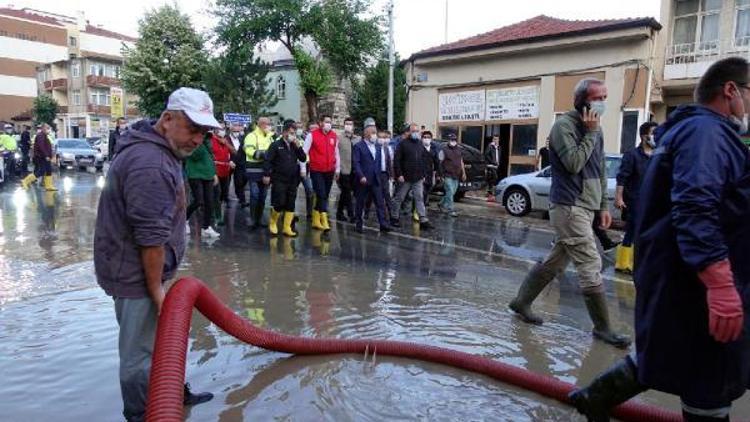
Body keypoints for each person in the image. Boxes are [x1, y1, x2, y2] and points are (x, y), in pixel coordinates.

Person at [570, 57, 750, 422]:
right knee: (706, 379)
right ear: (730, 91)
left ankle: (594, 398)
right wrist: (719, 283)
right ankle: (594, 397)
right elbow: (696, 205)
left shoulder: (698, 133)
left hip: (680, 276)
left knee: (667, 350)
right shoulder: (706, 134)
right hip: (695, 281)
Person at [94, 87, 218, 422]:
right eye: (192, 129)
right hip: (137, 276)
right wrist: (157, 291)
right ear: (166, 120)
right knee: (140, 353)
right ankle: (142, 414)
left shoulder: (163, 151)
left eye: (203, 133)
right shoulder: (150, 163)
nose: (197, 139)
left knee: (165, 337)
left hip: (149, 269)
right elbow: (150, 239)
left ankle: (172, 393)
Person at [508, 78, 630, 349]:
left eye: (605, 97)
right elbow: (574, 163)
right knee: (590, 264)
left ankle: (522, 302)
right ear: (582, 101)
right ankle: (603, 329)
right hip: (568, 206)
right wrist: (589, 133)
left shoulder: (596, 128)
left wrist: (601, 208)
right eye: (598, 98)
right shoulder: (564, 126)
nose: (603, 102)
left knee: (556, 262)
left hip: (586, 207)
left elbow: (599, 169)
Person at [613, 121, 657, 273]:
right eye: (654, 133)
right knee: (633, 231)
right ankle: (624, 263)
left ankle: (636, 262)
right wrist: (618, 197)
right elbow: (622, 177)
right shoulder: (632, 155)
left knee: (645, 232)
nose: (656, 137)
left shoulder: (657, 156)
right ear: (645, 136)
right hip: (634, 200)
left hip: (651, 201)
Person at [264, 119, 306, 237]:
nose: (292, 135)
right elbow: (268, 161)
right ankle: (273, 222)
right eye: (290, 133)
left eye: (294, 133)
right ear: (284, 133)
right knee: (279, 202)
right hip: (279, 179)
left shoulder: (294, 145)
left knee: (290, 203)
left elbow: (303, 158)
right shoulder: (276, 145)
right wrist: (267, 174)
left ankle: (287, 227)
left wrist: (299, 147)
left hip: (293, 179)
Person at [390, 123, 433, 230]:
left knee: (419, 198)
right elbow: (397, 160)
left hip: (418, 177)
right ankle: (394, 217)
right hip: (405, 177)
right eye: (413, 131)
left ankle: (423, 220)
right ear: (409, 132)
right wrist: (399, 174)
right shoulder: (403, 144)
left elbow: (423, 160)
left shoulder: (419, 144)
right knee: (399, 198)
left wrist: (423, 174)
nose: (415, 133)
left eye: (417, 131)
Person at [352, 118, 391, 233]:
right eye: (373, 133)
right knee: (361, 203)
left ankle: (383, 224)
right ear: (366, 134)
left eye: (375, 133)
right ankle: (359, 224)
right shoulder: (359, 146)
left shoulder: (378, 147)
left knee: (380, 203)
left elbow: (378, 163)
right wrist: (361, 176)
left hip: (376, 180)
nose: (375, 135)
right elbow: (356, 163)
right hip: (363, 180)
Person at [303, 114, 339, 231]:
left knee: (324, 195)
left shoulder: (334, 136)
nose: (329, 124)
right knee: (322, 194)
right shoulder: (312, 135)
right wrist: (303, 169)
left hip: (329, 170)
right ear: (320, 123)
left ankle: (315, 219)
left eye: (330, 121)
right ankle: (324, 219)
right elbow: (304, 153)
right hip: (316, 170)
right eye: (326, 121)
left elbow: (336, 153)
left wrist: (337, 168)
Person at [186, 132, 220, 238]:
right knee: (198, 200)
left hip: (208, 174)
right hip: (195, 174)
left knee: (210, 202)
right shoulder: (191, 140)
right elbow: (195, 155)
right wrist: (200, 141)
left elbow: (210, 160)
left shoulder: (206, 143)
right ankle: (184, 220)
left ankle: (206, 227)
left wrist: (214, 173)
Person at [244, 116, 275, 229]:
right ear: (261, 124)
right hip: (254, 170)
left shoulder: (270, 137)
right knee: (255, 195)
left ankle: (259, 218)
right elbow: (248, 151)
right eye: (267, 124)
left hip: (266, 170)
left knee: (263, 196)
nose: (269, 126)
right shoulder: (251, 136)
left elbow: (274, 151)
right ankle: (253, 219)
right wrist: (266, 155)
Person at [336, 117, 359, 222]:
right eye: (346, 124)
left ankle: (339, 212)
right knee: (347, 192)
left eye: (350, 124)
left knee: (346, 193)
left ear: (353, 126)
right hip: (343, 169)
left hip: (354, 171)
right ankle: (351, 214)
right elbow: (335, 154)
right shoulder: (339, 139)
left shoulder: (357, 139)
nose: (348, 126)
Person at [437, 134, 466, 218]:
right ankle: (450, 210)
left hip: (456, 174)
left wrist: (464, 173)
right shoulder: (444, 150)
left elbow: (461, 162)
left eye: (454, 140)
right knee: (449, 191)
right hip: (447, 174)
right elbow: (440, 163)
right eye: (451, 140)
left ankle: (441, 203)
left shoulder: (459, 150)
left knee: (451, 193)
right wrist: (440, 174)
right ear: (448, 140)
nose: (453, 141)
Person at [211, 126, 234, 226]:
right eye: (220, 129)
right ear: (215, 130)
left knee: (223, 193)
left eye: (223, 129)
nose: (222, 131)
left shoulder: (226, 141)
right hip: (215, 172)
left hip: (226, 171)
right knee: (217, 193)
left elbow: (234, 152)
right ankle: (216, 217)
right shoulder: (210, 140)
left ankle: (217, 212)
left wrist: (226, 143)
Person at [21, 124, 55, 191]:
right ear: (43, 128)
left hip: (45, 156)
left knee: (49, 170)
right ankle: (25, 181)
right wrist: (46, 155)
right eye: (47, 128)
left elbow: (47, 146)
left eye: (49, 128)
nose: (49, 129)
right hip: (41, 157)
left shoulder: (45, 136)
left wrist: (50, 155)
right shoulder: (40, 136)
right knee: (41, 171)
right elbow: (41, 147)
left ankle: (49, 186)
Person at [299, 121, 317, 221]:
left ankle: (310, 213)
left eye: (316, 128)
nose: (314, 131)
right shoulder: (301, 138)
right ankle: (288, 213)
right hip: (297, 166)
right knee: (291, 191)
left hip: (309, 166)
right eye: (312, 129)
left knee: (310, 190)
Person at [420, 131, 440, 215]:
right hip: (420, 174)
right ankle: (419, 210)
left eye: (428, 137)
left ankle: (422, 207)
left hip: (430, 174)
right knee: (421, 193)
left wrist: (437, 174)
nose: (426, 139)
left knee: (427, 190)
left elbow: (436, 162)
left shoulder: (433, 149)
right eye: (425, 137)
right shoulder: (419, 148)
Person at [229, 124, 247, 207]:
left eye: (238, 131)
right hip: (230, 162)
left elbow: (241, 151)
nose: (237, 133)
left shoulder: (241, 139)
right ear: (231, 131)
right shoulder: (227, 139)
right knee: (227, 182)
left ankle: (241, 199)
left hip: (240, 163)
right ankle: (225, 197)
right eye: (235, 131)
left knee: (240, 182)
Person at [484, 135, 502, 200]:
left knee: (492, 178)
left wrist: (498, 162)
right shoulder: (490, 146)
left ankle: (489, 191)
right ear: (493, 140)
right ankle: (489, 191)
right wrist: (493, 161)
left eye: (497, 139)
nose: (496, 140)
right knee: (494, 177)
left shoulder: (499, 147)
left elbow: (499, 155)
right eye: (494, 139)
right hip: (491, 165)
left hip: (496, 165)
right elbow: (486, 154)